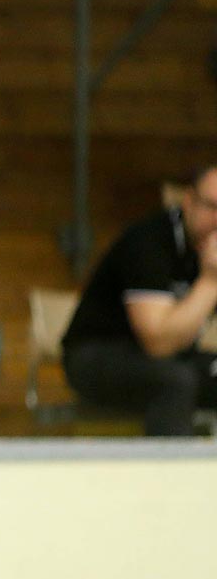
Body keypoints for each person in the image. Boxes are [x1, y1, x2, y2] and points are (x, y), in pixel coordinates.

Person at [62, 167, 217, 436]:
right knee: (176, 381)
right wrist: (211, 281)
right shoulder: (149, 241)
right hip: (97, 353)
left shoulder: (205, 250)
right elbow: (157, 343)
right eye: (212, 207)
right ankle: (170, 475)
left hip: (171, 357)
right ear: (189, 201)